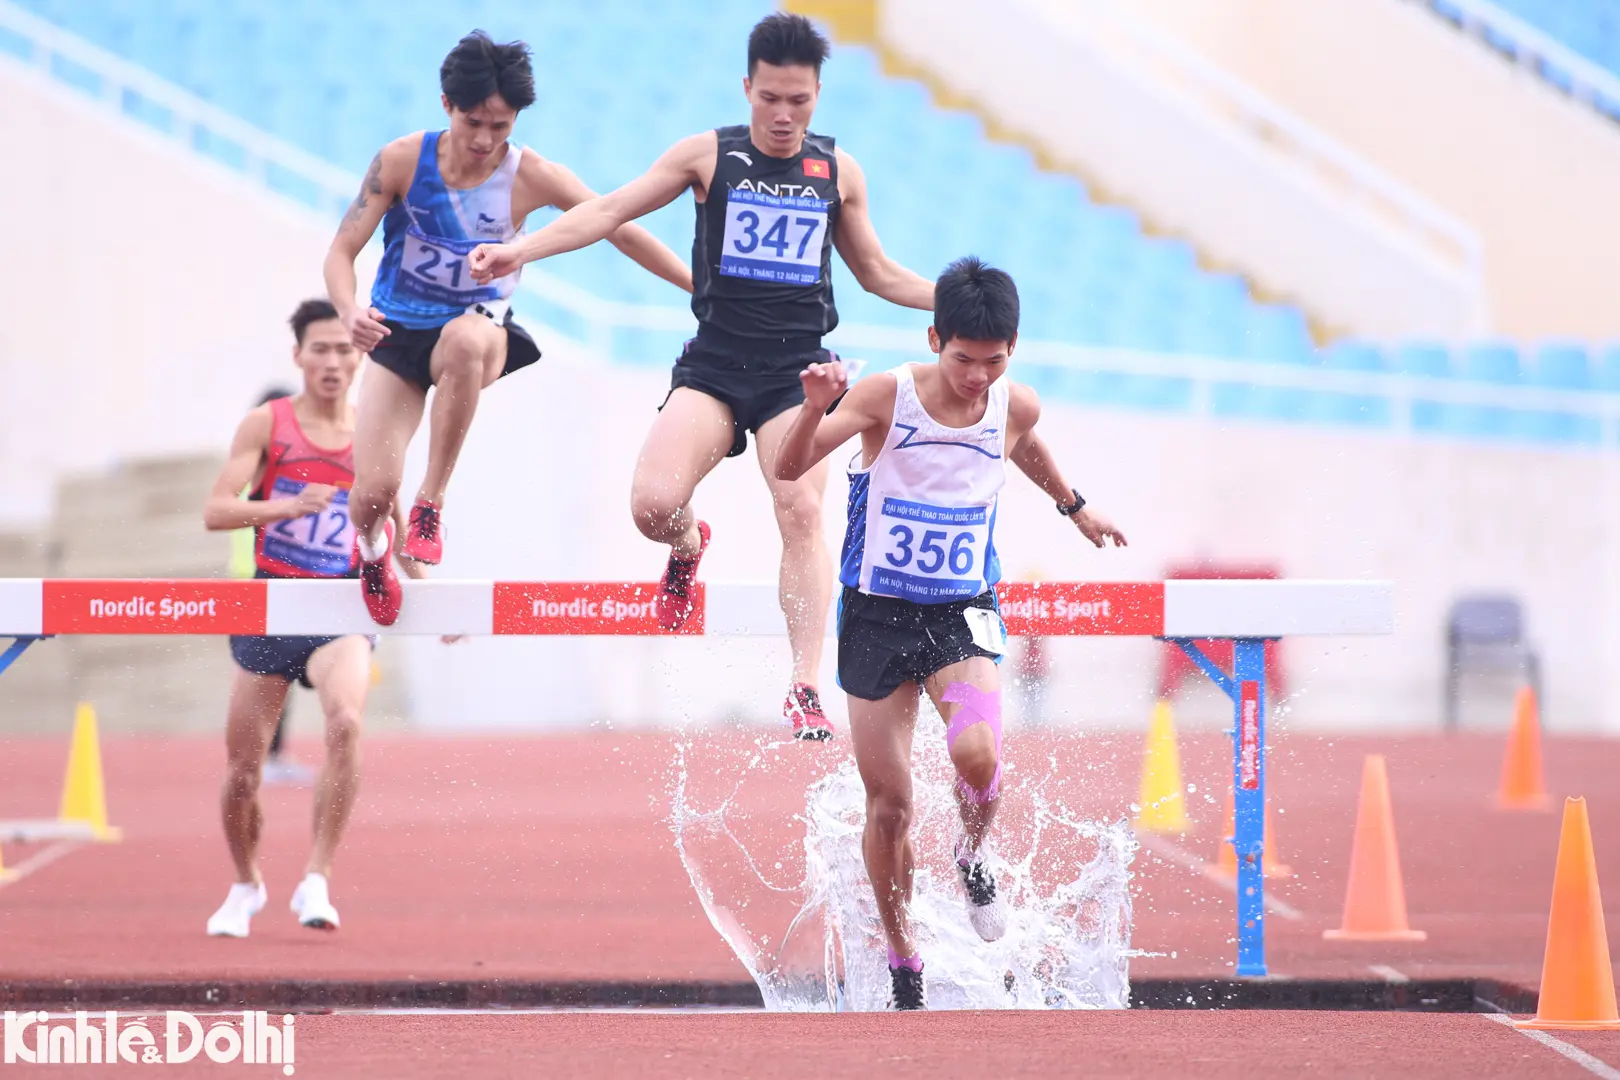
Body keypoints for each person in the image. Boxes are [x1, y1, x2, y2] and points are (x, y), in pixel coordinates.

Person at [467, 14, 937, 740]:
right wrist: (517, 251)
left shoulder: (837, 173)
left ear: (817, 96)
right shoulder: (708, 157)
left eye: (800, 101)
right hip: (716, 367)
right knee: (652, 505)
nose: (784, 116)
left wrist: (956, 300)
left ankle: (806, 684)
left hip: (797, 377)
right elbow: (609, 210)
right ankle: (688, 548)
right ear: (748, 88)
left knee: (803, 510)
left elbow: (875, 273)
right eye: (771, 98)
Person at [772, 258, 1128, 1010]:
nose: (976, 377)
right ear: (935, 337)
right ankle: (905, 957)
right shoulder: (886, 396)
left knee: (978, 754)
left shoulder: (1012, 404)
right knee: (891, 806)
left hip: (961, 614)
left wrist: (1077, 507)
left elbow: (1024, 443)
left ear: (1013, 351)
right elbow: (790, 463)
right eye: (962, 358)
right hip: (874, 618)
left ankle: (971, 853)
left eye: (993, 362)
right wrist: (811, 407)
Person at [324, 30, 692, 626]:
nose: (485, 140)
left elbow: (617, 224)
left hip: (478, 330)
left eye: (501, 125)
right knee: (369, 496)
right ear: (447, 105)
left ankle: (429, 504)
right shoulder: (399, 161)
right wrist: (347, 312)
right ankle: (372, 551)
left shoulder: (530, 174)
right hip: (396, 336)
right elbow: (341, 252)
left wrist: (700, 287)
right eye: (474, 123)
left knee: (466, 340)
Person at [200, 299, 434, 938]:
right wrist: (287, 506)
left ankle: (317, 878)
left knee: (347, 721)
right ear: (299, 356)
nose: (333, 362)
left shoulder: (374, 430)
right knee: (244, 772)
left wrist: (438, 600)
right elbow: (216, 510)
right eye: (321, 350)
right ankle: (246, 883)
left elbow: (397, 525)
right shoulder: (266, 426)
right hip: (271, 605)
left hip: (340, 609)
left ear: (361, 356)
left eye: (344, 350)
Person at [229, 385, 316, 788]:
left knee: (274, 671)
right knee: (262, 672)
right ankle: (259, 756)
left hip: (268, 580)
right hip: (258, 580)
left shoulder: (264, 464)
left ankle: (266, 755)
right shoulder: (265, 466)